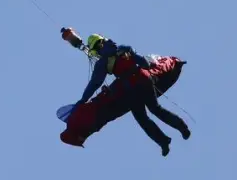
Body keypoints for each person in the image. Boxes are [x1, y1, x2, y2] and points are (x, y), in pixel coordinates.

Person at [61, 27, 190, 155]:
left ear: (96, 48)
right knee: (156, 109)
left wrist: (83, 100)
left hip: (131, 88)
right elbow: (144, 63)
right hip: (144, 78)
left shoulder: (103, 62)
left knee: (142, 119)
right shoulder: (121, 49)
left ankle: (164, 142)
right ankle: (183, 128)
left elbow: (95, 83)